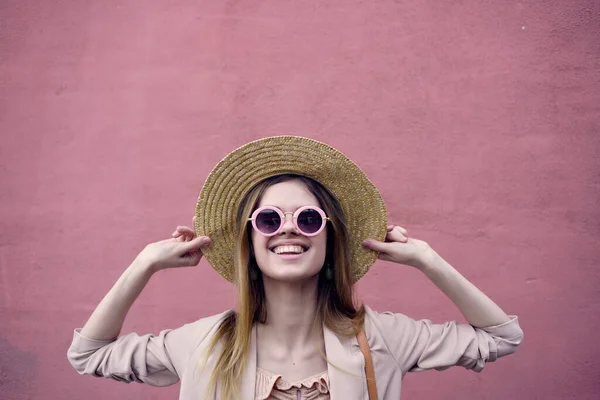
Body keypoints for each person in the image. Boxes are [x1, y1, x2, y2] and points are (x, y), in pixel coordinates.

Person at [67, 136, 524, 400]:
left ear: (329, 237)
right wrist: (144, 264)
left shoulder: (381, 339)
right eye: (269, 219)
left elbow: (501, 338)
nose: (289, 232)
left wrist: (427, 259)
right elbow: (88, 355)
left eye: (308, 219)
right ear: (250, 239)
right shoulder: (204, 344)